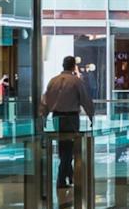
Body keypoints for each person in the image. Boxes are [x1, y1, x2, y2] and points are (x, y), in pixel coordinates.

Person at [39, 55, 95, 189]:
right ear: (73, 66)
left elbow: (46, 100)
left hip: (57, 117)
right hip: (71, 118)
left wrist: (43, 118)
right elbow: (85, 100)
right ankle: (61, 178)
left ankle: (69, 176)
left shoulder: (53, 81)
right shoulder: (76, 81)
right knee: (69, 149)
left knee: (63, 147)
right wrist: (91, 115)